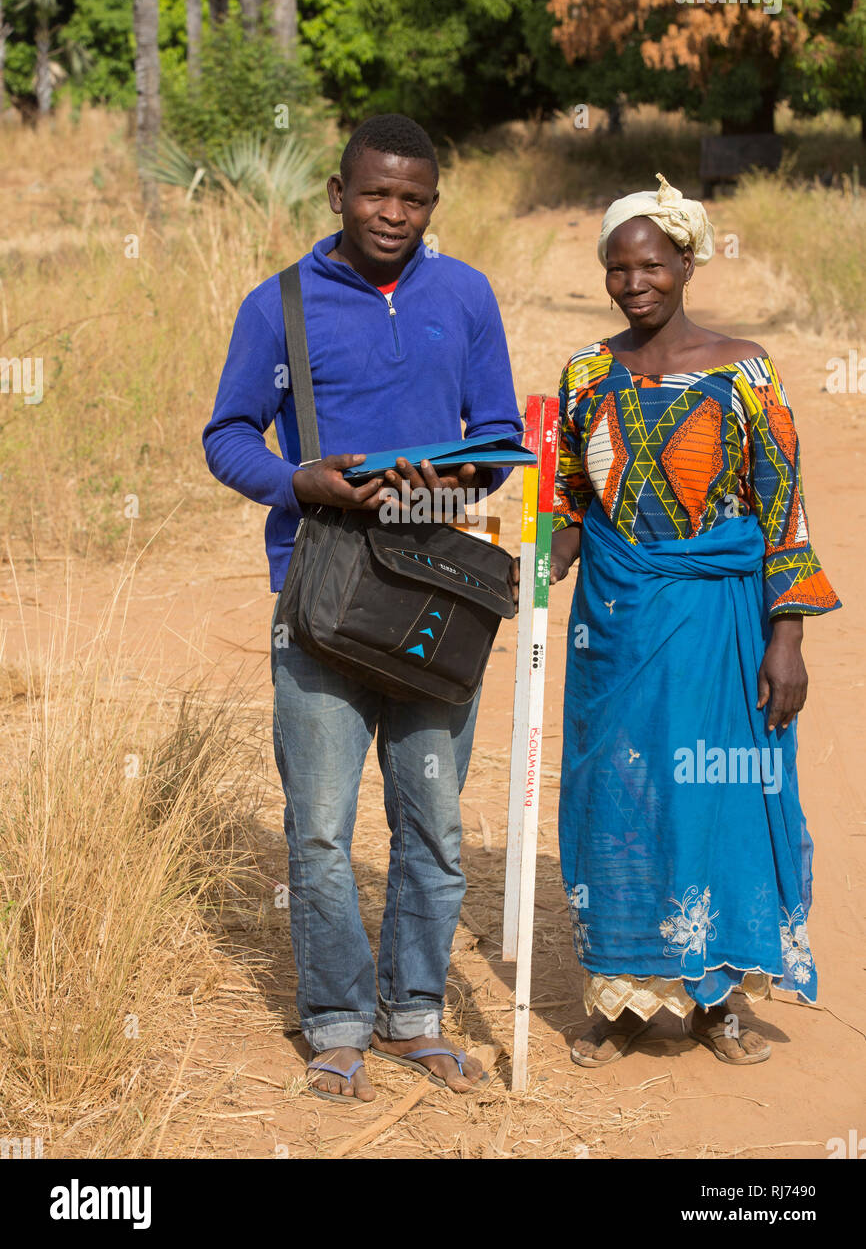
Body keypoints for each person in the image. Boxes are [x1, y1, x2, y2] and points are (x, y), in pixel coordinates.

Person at [203, 114, 522, 1101]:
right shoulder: (278, 306)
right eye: (376, 194)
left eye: (414, 198)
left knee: (429, 824)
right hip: (322, 597)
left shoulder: (463, 295)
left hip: (435, 599)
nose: (394, 213)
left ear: (433, 203)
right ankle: (339, 1020)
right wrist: (303, 481)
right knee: (320, 831)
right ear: (337, 194)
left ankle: (412, 1013)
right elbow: (226, 437)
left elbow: (500, 434)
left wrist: (448, 481)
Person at [550, 174, 840, 1068]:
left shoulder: (743, 370)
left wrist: (786, 639)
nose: (634, 283)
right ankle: (626, 1000)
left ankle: (716, 1000)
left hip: (721, 618)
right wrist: (522, 574)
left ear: (685, 262)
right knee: (619, 794)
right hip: (615, 620)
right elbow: (565, 502)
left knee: (717, 793)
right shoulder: (585, 375)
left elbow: (783, 506)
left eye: (651, 265)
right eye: (617, 268)